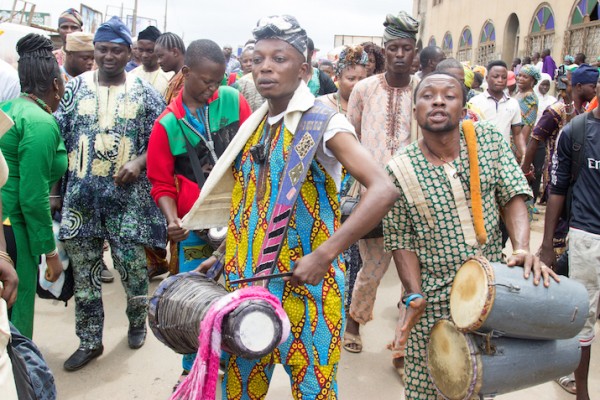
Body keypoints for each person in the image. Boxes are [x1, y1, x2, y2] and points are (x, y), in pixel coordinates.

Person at [185, 14, 397, 399]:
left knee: (313, 391)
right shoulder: (257, 125)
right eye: (259, 58)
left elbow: (383, 189)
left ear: (303, 68)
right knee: (240, 390)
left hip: (307, 292)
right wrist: (221, 253)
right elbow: (251, 203)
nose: (266, 66)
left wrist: (325, 255)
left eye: (279, 58)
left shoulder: (324, 123)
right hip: (248, 287)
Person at [383, 71, 555, 400]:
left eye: (448, 95)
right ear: (415, 110)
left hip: (488, 296)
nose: (437, 100)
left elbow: (514, 194)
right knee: (428, 388)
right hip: (432, 304)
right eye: (427, 95)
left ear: (463, 106)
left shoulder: (487, 140)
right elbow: (400, 239)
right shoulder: (399, 168)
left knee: (479, 385)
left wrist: (521, 248)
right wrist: (413, 294)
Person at [55, 16, 167, 371]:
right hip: (81, 201)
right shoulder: (74, 89)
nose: (108, 56)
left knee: (133, 270)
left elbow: (164, 142)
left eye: (116, 50)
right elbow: (58, 138)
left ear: (128, 52)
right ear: (94, 51)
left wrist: (139, 161)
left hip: (127, 203)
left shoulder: (145, 93)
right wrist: (55, 192)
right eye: (102, 49)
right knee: (85, 275)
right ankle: (89, 341)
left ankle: (137, 323)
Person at [147, 38, 251, 387]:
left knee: (238, 294)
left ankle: (234, 360)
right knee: (193, 303)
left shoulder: (234, 102)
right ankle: (193, 370)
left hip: (238, 220)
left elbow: (254, 155)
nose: (213, 88)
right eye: (207, 80)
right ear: (186, 72)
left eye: (219, 80)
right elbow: (160, 183)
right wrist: (171, 218)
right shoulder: (166, 125)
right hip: (194, 227)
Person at [344, 11, 419, 374]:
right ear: (384, 52)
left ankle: (402, 345)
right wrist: (357, 188)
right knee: (371, 269)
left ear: (415, 51)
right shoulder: (364, 89)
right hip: (372, 195)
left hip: (415, 197)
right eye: (394, 48)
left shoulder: (424, 89)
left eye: (406, 48)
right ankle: (353, 324)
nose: (400, 54)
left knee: (413, 276)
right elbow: (349, 140)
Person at [0, 34, 67, 339]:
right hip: (14, 228)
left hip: (5, 219)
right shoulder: (39, 122)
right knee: (17, 308)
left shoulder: (9, 108)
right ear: (56, 84)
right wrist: (50, 254)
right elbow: (33, 196)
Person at [539, 71, 600, 400]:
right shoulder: (577, 131)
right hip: (587, 238)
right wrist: (548, 244)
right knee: (584, 318)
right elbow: (557, 189)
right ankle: (582, 392)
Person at [317, 45, 368, 317]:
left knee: (356, 251)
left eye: (362, 78)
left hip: (359, 184)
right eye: (351, 78)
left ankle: (348, 307)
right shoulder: (323, 105)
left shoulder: (369, 104)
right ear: (338, 78)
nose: (357, 84)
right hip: (331, 185)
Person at [468, 60, 525, 161]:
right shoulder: (475, 102)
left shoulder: (513, 103)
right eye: (496, 76)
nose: (500, 80)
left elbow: (517, 134)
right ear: (487, 78)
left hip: (504, 158)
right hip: (481, 158)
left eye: (504, 77)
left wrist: (524, 155)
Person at [131, 26, 175, 98]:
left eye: (150, 51)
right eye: (141, 50)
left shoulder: (170, 78)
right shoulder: (131, 76)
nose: (144, 55)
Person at [155, 33, 186, 105]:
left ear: (175, 52)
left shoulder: (187, 78)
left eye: (161, 56)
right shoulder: (176, 77)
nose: (158, 61)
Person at [235, 46, 266, 112]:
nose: (248, 64)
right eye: (245, 61)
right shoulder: (238, 82)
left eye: (251, 60)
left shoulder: (265, 81)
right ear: (241, 62)